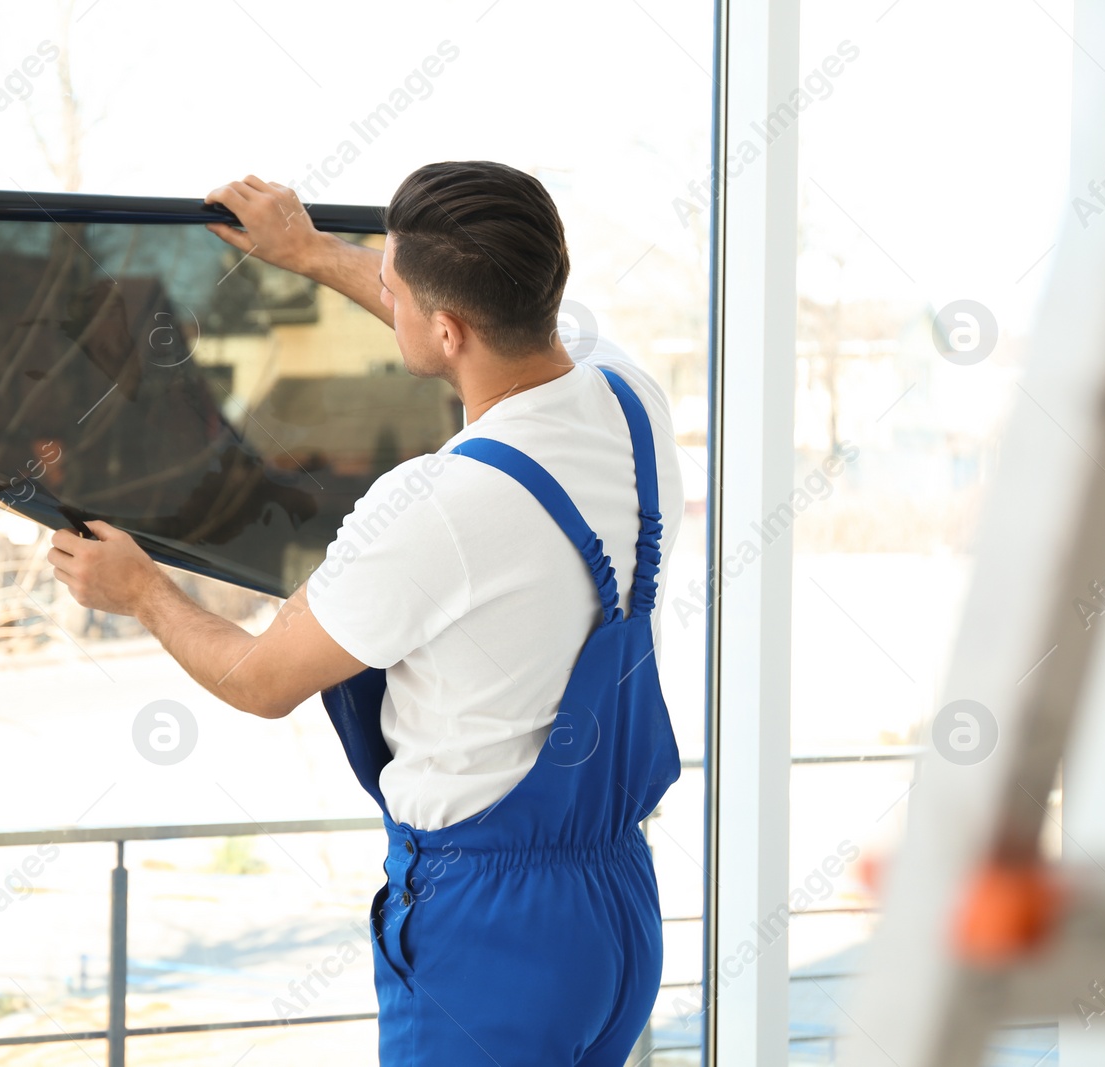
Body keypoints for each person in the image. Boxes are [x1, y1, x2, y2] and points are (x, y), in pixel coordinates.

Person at [48, 161, 684, 1066]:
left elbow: (261, 681)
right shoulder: (631, 401)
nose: (376, 282)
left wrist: (141, 590)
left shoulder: (438, 504)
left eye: (392, 281)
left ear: (446, 327)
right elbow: (458, 311)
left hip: (488, 938)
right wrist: (309, 253)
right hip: (617, 914)